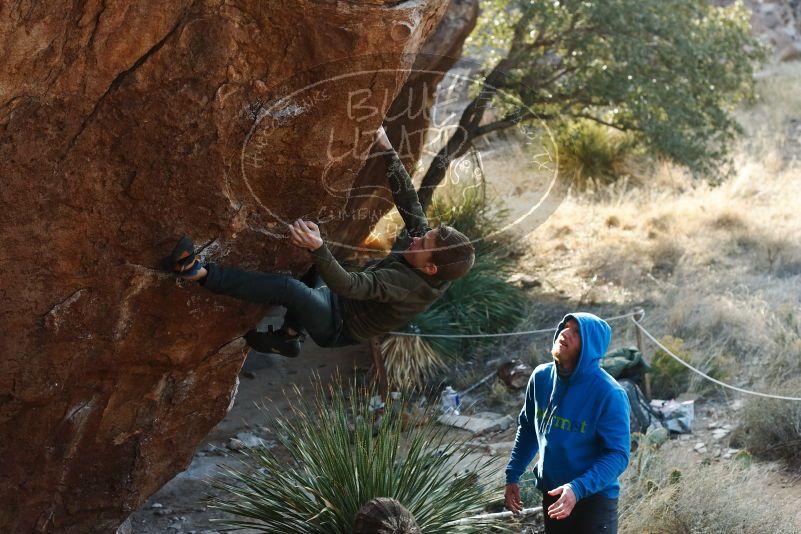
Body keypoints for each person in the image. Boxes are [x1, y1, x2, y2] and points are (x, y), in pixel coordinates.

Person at [166, 126, 475, 357]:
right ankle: (289, 336)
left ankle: (199, 272)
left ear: (431, 269)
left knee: (292, 288)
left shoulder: (407, 285)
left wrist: (318, 246)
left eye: (423, 245)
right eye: (425, 235)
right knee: (311, 266)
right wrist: (387, 150)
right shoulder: (428, 250)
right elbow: (409, 202)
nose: (417, 239)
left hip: (338, 325)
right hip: (339, 301)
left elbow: (350, 286)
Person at [504, 313, 630, 533]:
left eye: (576, 332)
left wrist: (577, 488)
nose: (565, 333)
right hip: (552, 494)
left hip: (593, 499)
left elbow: (618, 455)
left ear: (591, 346)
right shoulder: (541, 377)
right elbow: (527, 428)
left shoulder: (609, 394)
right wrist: (513, 474)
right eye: (565, 327)